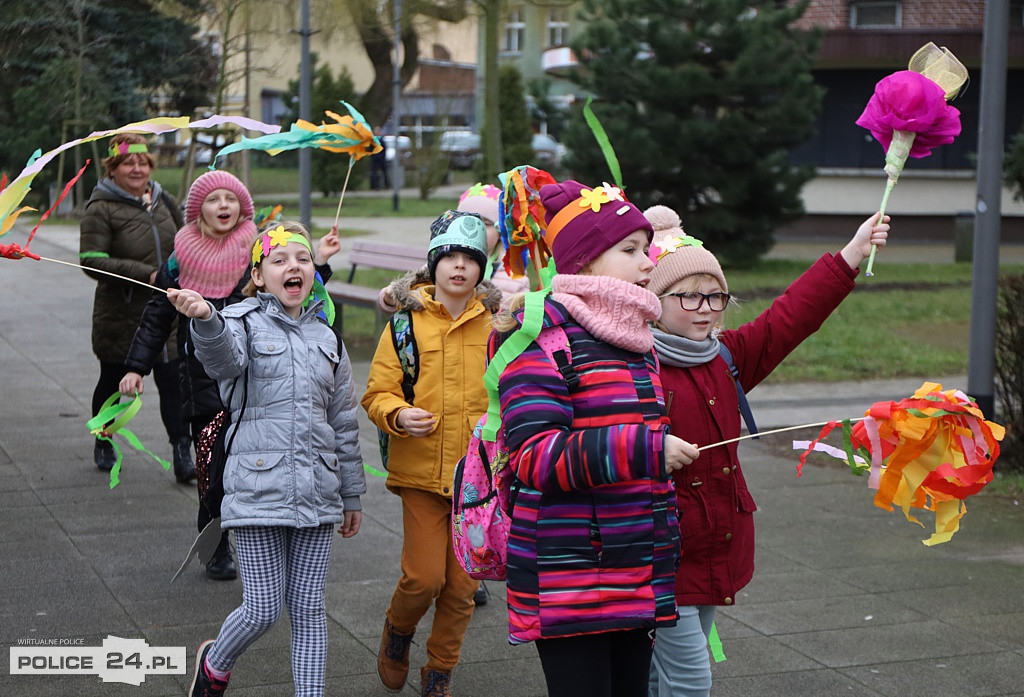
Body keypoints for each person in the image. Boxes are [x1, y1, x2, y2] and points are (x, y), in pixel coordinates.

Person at [643, 206, 890, 697]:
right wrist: (652, 450)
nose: (705, 307)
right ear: (652, 301)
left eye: (714, 294)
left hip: (715, 545)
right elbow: (601, 438)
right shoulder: (633, 365)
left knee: (659, 677)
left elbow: (790, 318)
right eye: (688, 295)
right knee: (690, 679)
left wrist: (851, 255)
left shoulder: (727, 356)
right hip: (659, 555)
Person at [490, 180, 700, 697]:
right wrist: (647, 450)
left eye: (646, 248)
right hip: (569, 574)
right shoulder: (542, 341)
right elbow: (535, 457)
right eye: (630, 250)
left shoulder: (635, 341)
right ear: (583, 263)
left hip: (635, 562)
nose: (648, 262)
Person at [172, 221, 365, 697]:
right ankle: (214, 662)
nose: (292, 266)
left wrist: (352, 492)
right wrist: (204, 319)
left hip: (319, 493)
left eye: (301, 258)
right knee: (262, 607)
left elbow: (343, 422)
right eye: (278, 261)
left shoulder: (328, 339)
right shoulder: (238, 322)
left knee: (308, 609)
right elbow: (222, 360)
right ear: (259, 276)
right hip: (256, 487)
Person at [120, 170, 341, 581]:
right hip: (201, 375)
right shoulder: (180, 253)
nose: (223, 206)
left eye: (231, 198)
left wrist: (321, 263)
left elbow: (292, 293)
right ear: (196, 209)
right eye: (212, 199)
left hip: (257, 375)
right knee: (212, 463)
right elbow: (157, 314)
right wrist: (136, 366)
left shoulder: (257, 248)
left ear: (243, 207)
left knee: (251, 456)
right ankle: (216, 540)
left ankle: (267, 526)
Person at [362, 210, 500, 696]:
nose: (459, 267)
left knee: (462, 589)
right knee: (423, 578)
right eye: (450, 257)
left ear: (483, 268)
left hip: (479, 481)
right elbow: (378, 392)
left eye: (470, 258)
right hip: (421, 476)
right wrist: (398, 415)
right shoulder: (405, 324)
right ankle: (398, 632)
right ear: (433, 264)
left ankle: (439, 671)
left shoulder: (499, 326)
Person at [79, 133, 191, 478]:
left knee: (175, 383)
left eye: (143, 162)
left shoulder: (162, 198)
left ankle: (183, 454)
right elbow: (90, 261)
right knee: (114, 383)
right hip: (122, 315)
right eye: (128, 162)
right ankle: (104, 437)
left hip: (168, 310)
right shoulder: (100, 208)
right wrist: (148, 274)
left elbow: (187, 237)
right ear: (112, 168)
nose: (137, 168)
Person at [370, 125, 390, 190]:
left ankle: (386, 185)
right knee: (374, 173)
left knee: (384, 172)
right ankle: (375, 186)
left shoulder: (381, 139)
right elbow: (370, 149)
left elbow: (384, 149)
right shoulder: (373, 140)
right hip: (375, 158)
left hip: (381, 158)